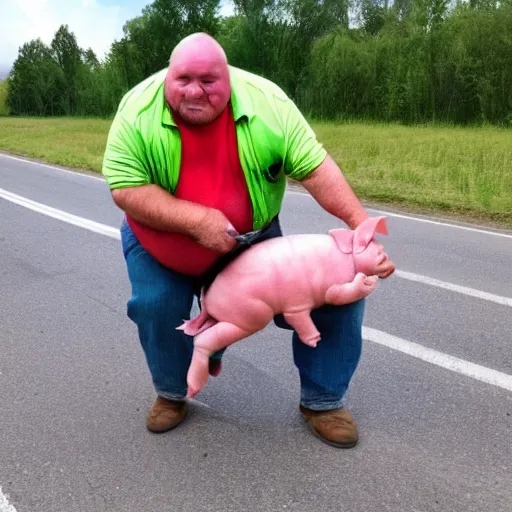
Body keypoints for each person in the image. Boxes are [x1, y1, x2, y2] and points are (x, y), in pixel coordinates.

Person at [102, 32, 395, 448]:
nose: (195, 91)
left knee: (336, 292)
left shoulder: (268, 103)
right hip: (160, 244)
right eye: (184, 79)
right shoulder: (137, 110)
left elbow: (316, 169)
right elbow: (125, 190)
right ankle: (172, 394)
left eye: (209, 81)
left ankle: (324, 401)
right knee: (155, 306)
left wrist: (361, 228)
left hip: (250, 238)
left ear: (229, 79)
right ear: (169, 74)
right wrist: (196, 219)